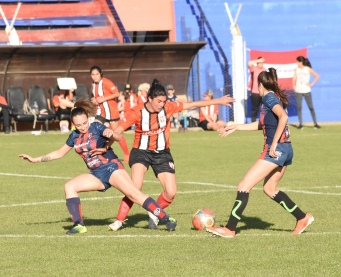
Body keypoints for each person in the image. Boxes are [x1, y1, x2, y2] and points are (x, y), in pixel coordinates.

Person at [18, 97, 177, 235]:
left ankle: (165, 218)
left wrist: (111, 134)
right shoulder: (74, 136)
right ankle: (79, 225)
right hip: (96, 174)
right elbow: (59, 153)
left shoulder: (96, 127)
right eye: (79, 125)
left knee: (134, 194)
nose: (82, 127)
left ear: (88, 118)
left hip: (111, 168)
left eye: (84, 123)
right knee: (70, 187)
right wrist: (34, 159)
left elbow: (118, 136)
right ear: (73, 124)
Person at [108, 79, 235, 231]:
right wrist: (105, 147)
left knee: (171, 192)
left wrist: (218, 100)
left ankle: (154, 213)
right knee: (135, 187)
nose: (162, 104)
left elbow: (192, 105)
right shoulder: (136, 112)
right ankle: (119, 221)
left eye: (164, 101)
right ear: (150, 99)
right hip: (141, 152)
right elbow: (118, 131)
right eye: (159, 101)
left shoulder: (168, 108)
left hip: (162, 153)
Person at [206, 68, 314, 238]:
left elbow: (283, 118)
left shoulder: (269, 97)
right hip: (286, 149)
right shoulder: (273, 97)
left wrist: (274, 143)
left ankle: (230, 229)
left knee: (244, 186)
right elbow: (262, 124)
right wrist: (236, 127)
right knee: (270, 189)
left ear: (260, 85)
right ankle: (302, 217)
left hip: (277, 149)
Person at [89, 65, 130, 162]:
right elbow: (97, 97)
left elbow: (116, 93)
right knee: (94, 128)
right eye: (92, 74)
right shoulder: (93, 85)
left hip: (112, 112)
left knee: (116, 134)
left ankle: (127, 154)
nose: (94, 76)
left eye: (96, 74)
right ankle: (98, 152)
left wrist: (103, 99)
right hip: (101, 112)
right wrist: (94, 100)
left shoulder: (106, 82)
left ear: (101, 74)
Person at [292, 56, 321, 129]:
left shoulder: (307, 69)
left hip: (306, 90)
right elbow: (294, 78)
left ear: (300, 62)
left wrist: (311, 84)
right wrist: (294, 86)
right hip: (298, 91)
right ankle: (300, 124)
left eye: (297, 62)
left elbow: (317, 76)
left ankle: (315, 123)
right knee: (299, 107)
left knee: (311, 107)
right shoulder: (296, 70)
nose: (296, 63)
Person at [248, 57, 266, 122]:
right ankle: (253, 122)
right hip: (255, 92)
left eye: (262, 63)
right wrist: (258, 60)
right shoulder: (254, 69)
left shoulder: (264, 70)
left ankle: (264, 121)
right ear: (257, 63)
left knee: (265, 108)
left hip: (263, 93)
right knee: (255, 109)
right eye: (260, 63)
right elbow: (249, 63)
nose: (262, 64)